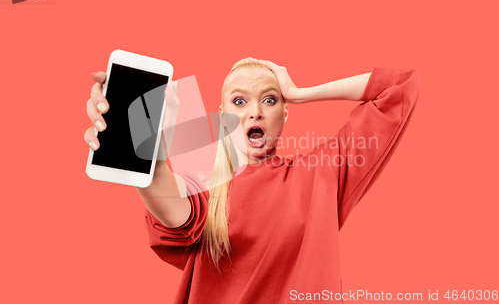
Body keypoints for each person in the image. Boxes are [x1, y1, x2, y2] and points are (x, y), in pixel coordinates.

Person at [84, 57, 420, 303]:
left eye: (270, 100)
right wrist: (144, 150)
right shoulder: (204, 180)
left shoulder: (320, 173)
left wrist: (300, 92)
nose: (255, 111)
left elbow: (400, 87)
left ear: (285, 113)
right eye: (239, 101)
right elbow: (172, 209)